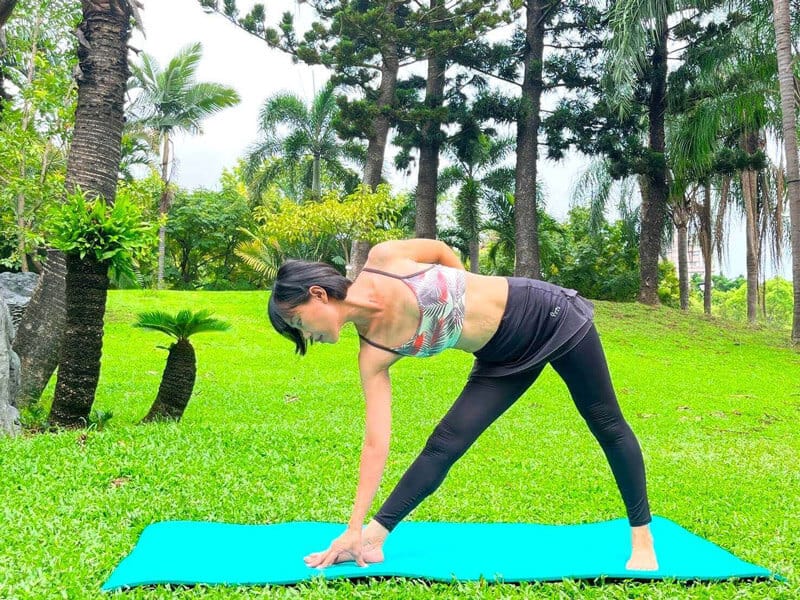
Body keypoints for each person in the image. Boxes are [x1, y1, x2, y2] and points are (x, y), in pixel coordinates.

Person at [267, 238, 658, 571]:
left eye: (299, 324)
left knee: (605, 422)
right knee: (445, 442)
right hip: (500, 359)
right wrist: (352, 526)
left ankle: (642, 539)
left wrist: (466, 285)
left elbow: (438, 249)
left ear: (318, 294)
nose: (307, 336)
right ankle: (371, 537)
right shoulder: (372, 354)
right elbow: (375, 443)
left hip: (547, 315)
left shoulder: (384, 259)